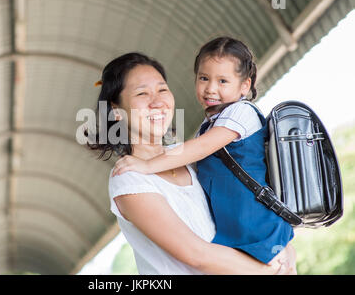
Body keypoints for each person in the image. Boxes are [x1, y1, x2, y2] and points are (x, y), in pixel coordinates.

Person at [86, 51, 296, 274]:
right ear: (116, 111)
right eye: (142, 93)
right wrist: (269, 271)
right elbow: (196, 255)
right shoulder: (129, 180)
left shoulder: (194, 161)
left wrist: (283, 249)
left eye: (162, 89)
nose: (157, 102)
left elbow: (244, 208)